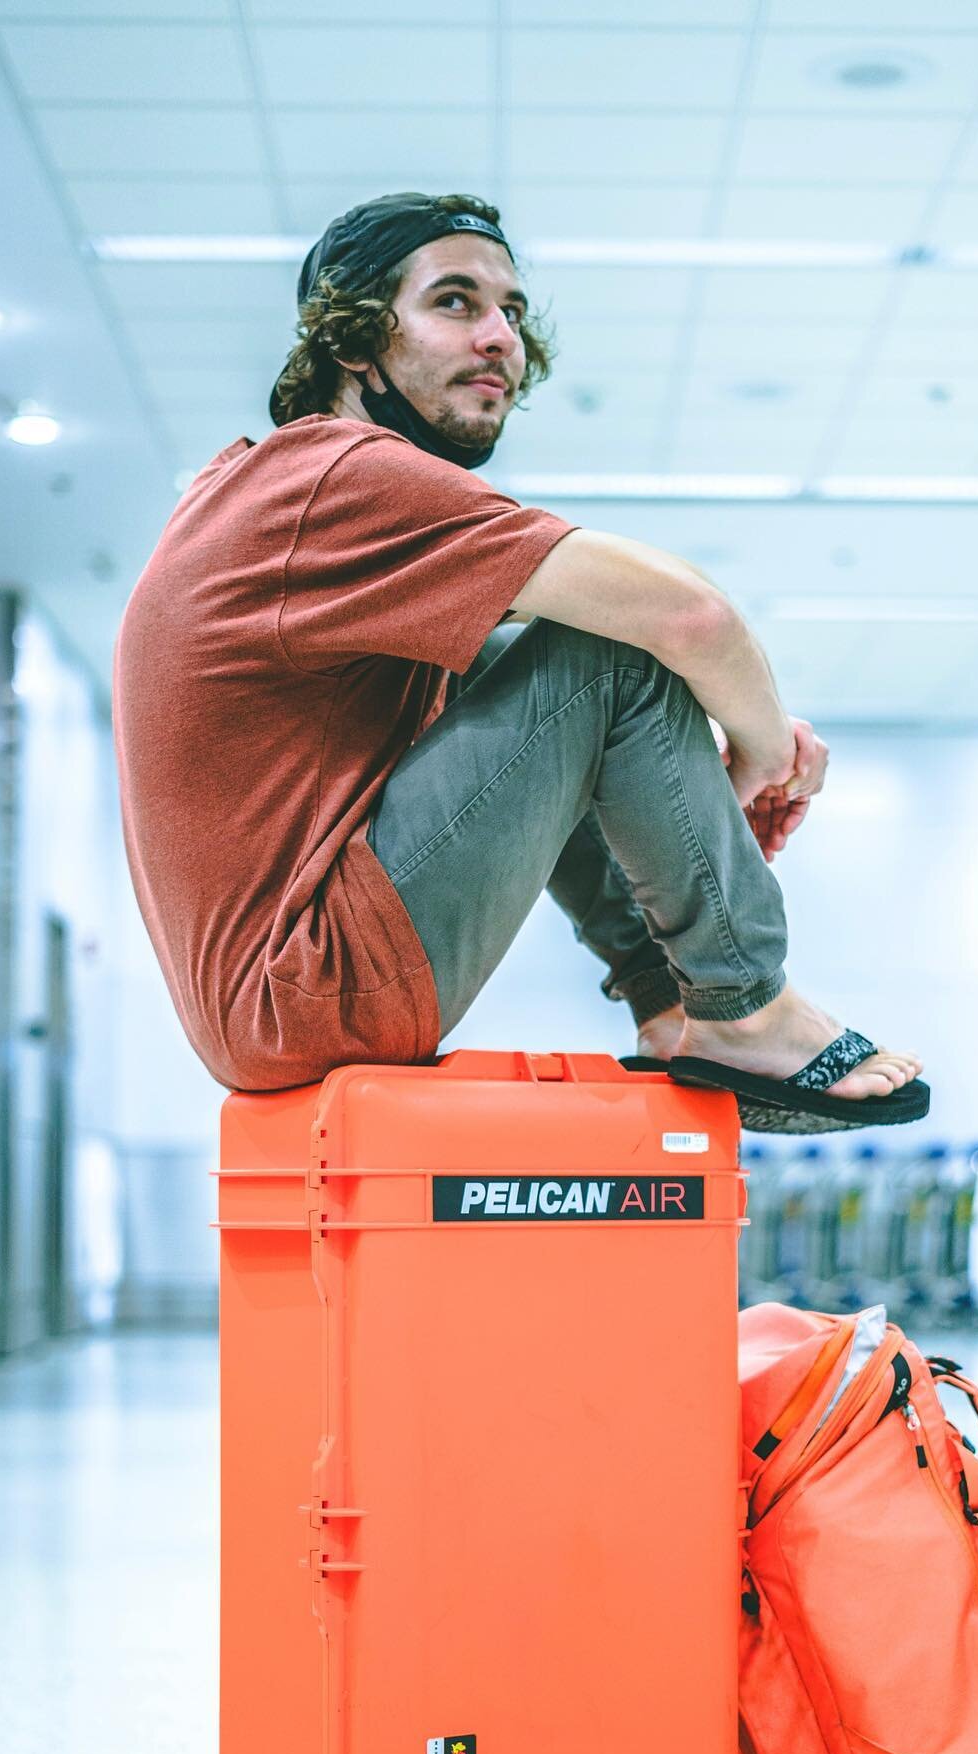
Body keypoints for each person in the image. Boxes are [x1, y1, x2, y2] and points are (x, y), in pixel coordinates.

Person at [113, 191, 928, 1133]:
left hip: (276, 1003)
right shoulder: (338, 474)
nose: (500, 336)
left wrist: (688, 772)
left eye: (511, 311)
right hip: (309, 984)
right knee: (607, 649)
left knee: (539, 671)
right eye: (454, 302)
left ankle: (673, 1008)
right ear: (351, 344)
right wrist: (764, 754)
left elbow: (555, 712)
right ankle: (744, 1005)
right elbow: (692, 615)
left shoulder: (268, 487)